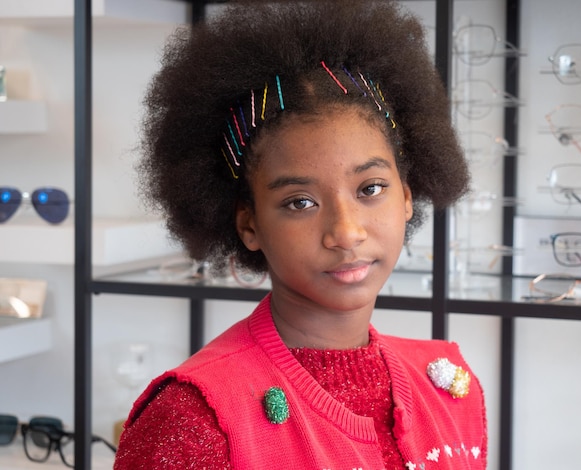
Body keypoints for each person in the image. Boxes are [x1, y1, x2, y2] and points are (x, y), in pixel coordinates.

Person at [114, 0, 487, 468]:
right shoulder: (195, 421)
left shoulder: (449, 388)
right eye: (300, 202)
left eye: (370, 189)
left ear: (407, 196)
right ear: (249, 224)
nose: (346, 232)